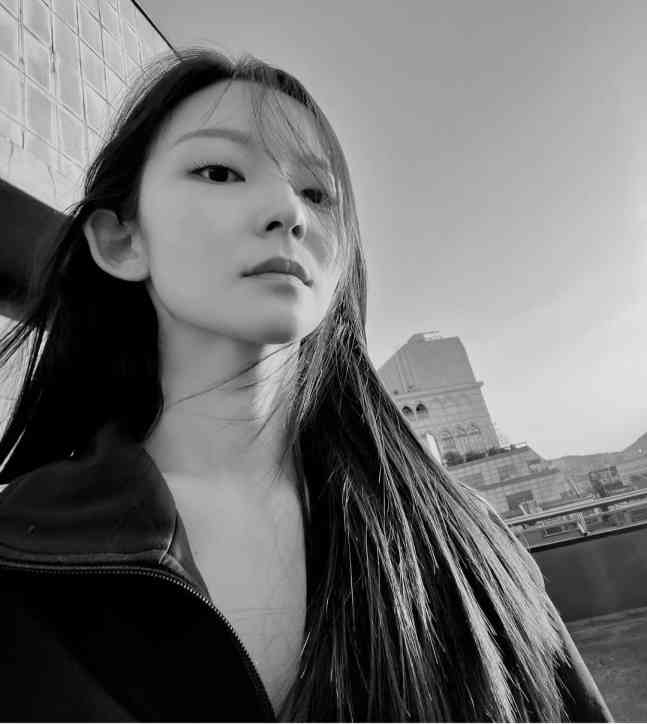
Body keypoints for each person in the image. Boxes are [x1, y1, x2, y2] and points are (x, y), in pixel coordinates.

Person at [0, 46, 613, 722]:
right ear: (121, 242)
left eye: (317, 194)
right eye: (219, 171)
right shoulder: (22, 555)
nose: (287, 210)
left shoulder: (472, 544)